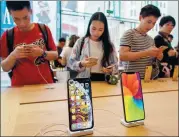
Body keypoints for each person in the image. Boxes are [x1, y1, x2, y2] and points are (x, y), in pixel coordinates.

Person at [0, 1, 58, 86]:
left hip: (45, 85)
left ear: (31, 11)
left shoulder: (44, 29)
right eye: (16, 19)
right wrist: (13, 55)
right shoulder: (8, 35)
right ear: (10, 14)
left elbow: (55, 55)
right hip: (19, 88)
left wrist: (42, 53)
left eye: (25, 17)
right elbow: (5, 67)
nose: (22, 23)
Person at [69, 12, 118, 81]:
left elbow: (116, 65)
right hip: (84, 82)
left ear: (105, 30)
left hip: (103, 82)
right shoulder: (81, 42)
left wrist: (111, 69)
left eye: (100, 30)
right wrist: (81, 63)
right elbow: (71, 62)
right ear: (89, 26)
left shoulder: (109, 45)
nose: (96, 33)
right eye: (93, 28)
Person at [119, 4, 163, 79]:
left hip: (147, 80)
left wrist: (158, 56)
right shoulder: (129, 34)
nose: (151, 26)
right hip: (131, 80)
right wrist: (146, 52)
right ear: (140, 18)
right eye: (149, 22)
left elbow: (151, 62)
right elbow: (122, 56)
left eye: (154, 23)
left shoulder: (151, 40)